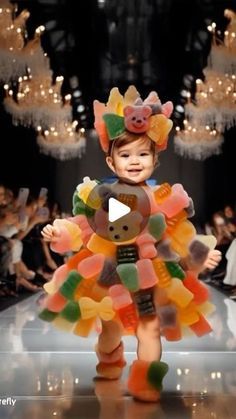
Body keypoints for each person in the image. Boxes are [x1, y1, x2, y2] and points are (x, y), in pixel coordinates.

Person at [40, 86, 221, 402]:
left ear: (155, 158)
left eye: (142, 153)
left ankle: (146, 381)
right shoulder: (100, 197)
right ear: (111, 162)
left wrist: (198, 257)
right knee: (110, 333)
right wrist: (61, 234)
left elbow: (180, 237)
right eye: (125, 154)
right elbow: (82, 229)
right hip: (110, 277)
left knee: (150, 329)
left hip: (154, 278)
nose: (134, 161)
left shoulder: (165, 198)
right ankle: (110, 358)